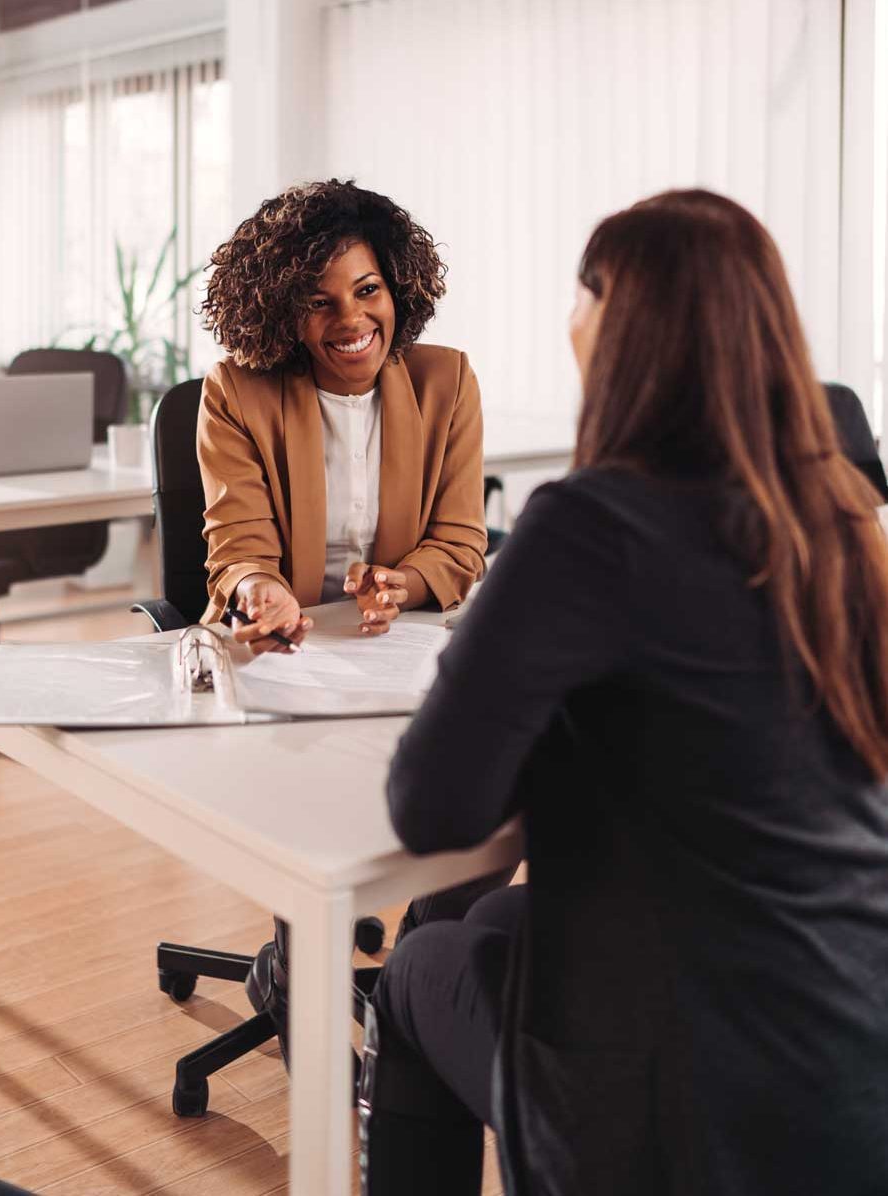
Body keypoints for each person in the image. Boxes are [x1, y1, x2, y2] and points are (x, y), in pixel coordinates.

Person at [359, 189, 888, 1196]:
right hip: (848, 1060)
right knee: (486, 929)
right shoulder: (839, 519)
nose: (569, 320)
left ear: (624, 327)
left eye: (581, 293)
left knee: (411, 975)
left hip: (694, 1123)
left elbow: (433, 804)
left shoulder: (591, 524)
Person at [197, 179, 507, 1063]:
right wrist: (263, 591)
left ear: (396, 290)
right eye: (317, 300)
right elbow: (236, 546)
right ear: (280, 313)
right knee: (303, 783)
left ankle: (412, 976)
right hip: (289, 653)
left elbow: (458, 543)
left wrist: (400, 585)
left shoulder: (444, 380)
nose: (348, 320)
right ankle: (298, 981)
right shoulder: (238, 390)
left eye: (365, 290)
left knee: (488, 790)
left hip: (398, 650)